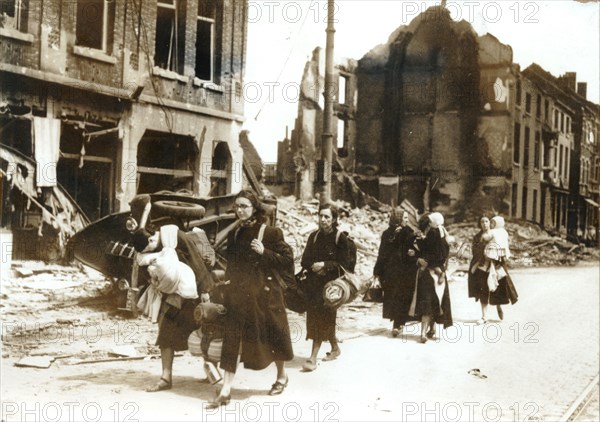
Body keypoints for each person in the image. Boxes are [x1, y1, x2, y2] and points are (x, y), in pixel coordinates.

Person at [210, 190, 294, 408]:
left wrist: (264, 252)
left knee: (274, 334)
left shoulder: (270, 233)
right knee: (232, 339)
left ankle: (282, 376)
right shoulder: (234, 234)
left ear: (255, 208)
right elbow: (232, 265)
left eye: (244, 206)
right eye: (237, 206)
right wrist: (227, 283)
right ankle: (226, 390)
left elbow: (287, 260)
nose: (240, 210)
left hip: (264, 295)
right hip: (238, 295)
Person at [131, 224, 214, 393]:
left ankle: (212, 372)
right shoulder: (150, 248)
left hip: (195, 292)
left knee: (205, 331)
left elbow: (196, 261)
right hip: (172, 295)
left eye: (149, 248)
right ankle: (165, 378)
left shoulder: (176, 236)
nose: (148, 252)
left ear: (151, 238)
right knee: (166, 333)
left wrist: (205, 290)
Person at [300, 204, 356, 371]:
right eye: (321, 216)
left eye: (327, 217)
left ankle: (312, 358)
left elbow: (345, 264)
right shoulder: (313, 237)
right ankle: (335, 348)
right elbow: (304, 261)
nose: (323, 220)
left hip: (332, 288)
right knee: (318, 318)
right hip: (314, 285)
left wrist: (325, 265)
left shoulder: (340, 238)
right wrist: (313, 267)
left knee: (324, 317)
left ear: (334, 219)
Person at [373, 207, 418, 337]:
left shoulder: (409, 231)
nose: (406, 221)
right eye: (404, 218)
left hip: (406, 270)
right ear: (397, 219)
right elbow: (382, 253)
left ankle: (398, 324)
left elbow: (414, 246)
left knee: (403, 296)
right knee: (392, 296)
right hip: (390, 271)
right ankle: (397, 322)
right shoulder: (387, 234)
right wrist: (377, 271)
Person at [408, 212, 453, 343]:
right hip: (437, 270)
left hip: (429, 271)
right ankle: (431, 330)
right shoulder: (442, 232)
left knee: (427, 300)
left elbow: (430, 251)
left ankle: (423, 333)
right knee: (436, 301)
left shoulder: (433, 233)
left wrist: (420, 256)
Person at [485, 215, 519, 316]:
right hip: (498, 258)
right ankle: (506, 300)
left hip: (495, 259)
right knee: (499, 280)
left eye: (492, 223)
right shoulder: (503, 232)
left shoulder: (496, 232)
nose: (490, 225)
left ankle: (500, 304)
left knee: (497, 280)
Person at [467, 215, 496, 324]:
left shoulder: (495, 235)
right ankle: (484, 316)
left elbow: (501, 247)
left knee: (499, 287)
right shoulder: (477, 237)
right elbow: (475, 251)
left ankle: (498, 306)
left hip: (494, 266)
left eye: (486, 221)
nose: (484, 224)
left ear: (490, 223)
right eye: (482, 221)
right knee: (483, 290)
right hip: (481, 266)